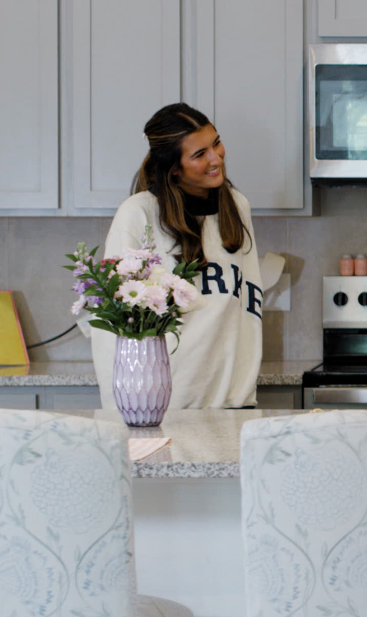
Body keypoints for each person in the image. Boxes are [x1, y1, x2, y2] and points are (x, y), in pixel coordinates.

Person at [87, 103, 266, 410]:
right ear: (173, 168)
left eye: (216, 143)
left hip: (232, 401)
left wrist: (244, 391)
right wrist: (128, 408)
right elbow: (113, 325)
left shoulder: (236, 206)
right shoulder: (138, 214)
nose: (216, 158)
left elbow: (248, 307)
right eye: (199, 154)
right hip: (164, 404)